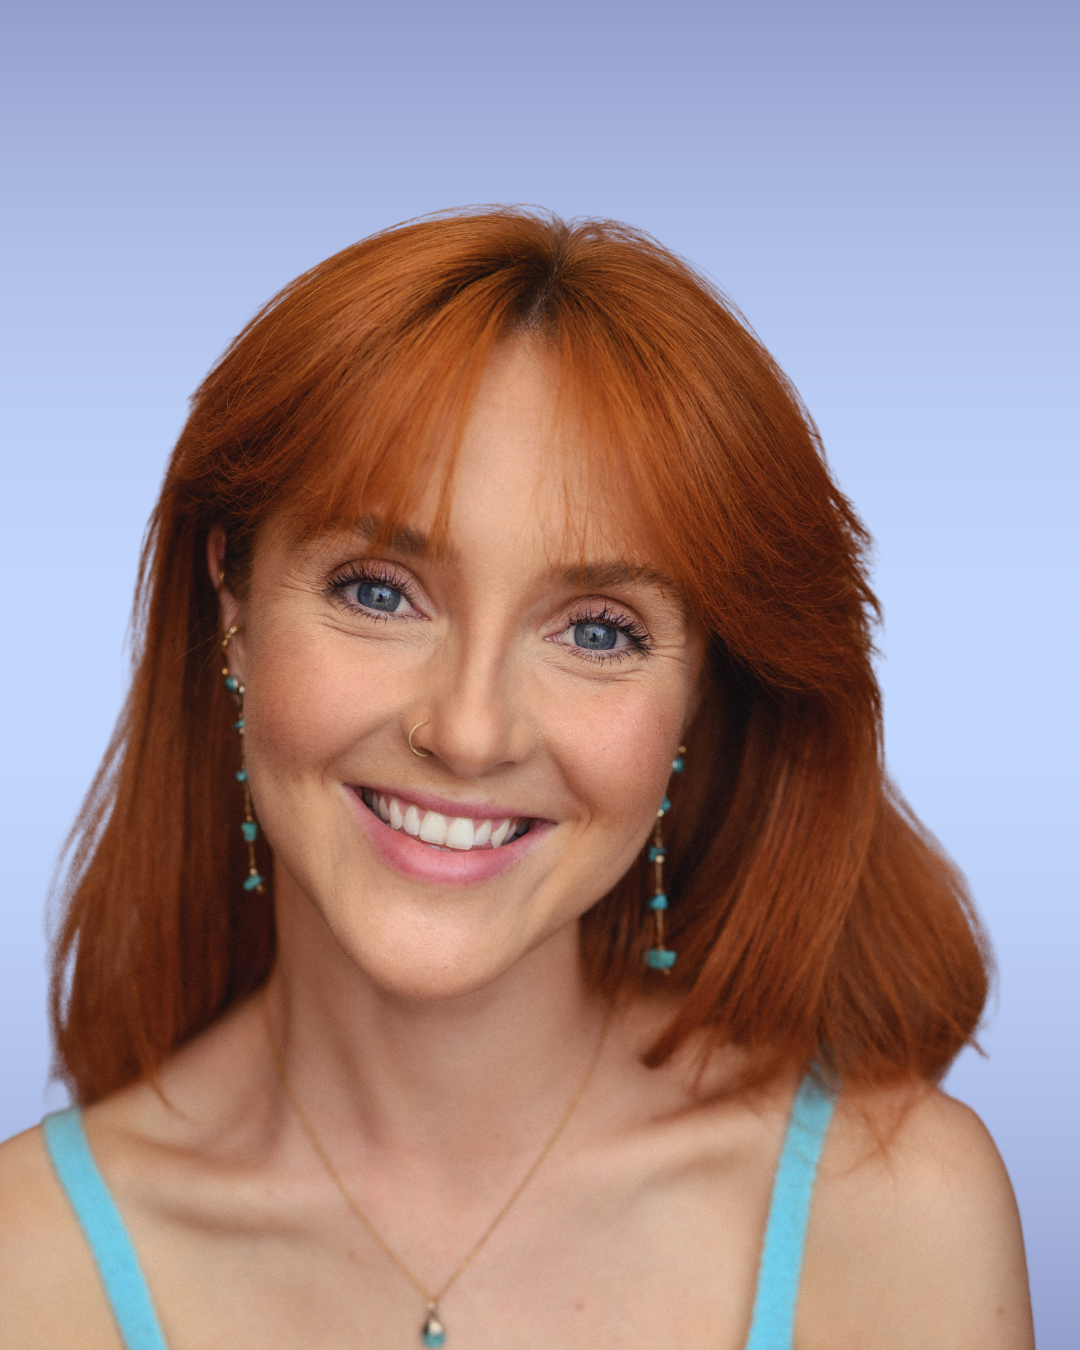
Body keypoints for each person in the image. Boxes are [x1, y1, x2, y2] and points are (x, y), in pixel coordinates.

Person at [0, 208, 1033, 1349]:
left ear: (701, 695)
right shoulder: (27, 1265)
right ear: (233, 607)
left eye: (597, 630)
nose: (471, 729)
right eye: (378, 591)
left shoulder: (897, 1216)